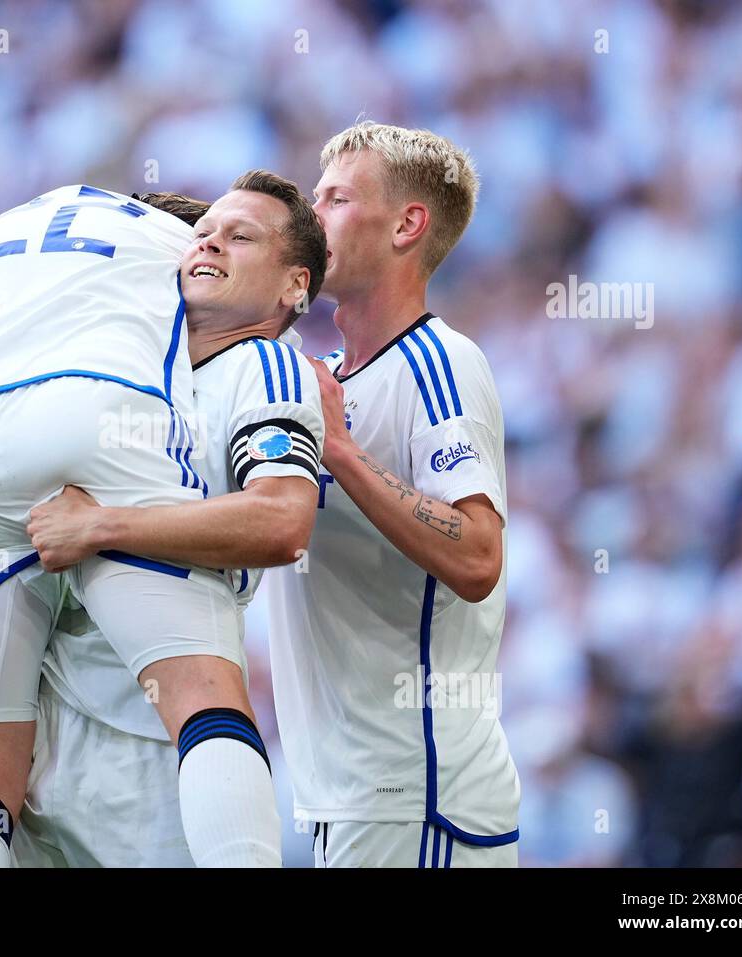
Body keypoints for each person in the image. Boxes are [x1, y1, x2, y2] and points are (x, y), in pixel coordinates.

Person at [0, 174, 328, 866]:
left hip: (155, 772)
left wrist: (105, 526)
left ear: (292, 286)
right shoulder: (111, 378)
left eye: (238, 236)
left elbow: (282, 521)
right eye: (200, 236)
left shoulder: (263, 368)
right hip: (55, 770)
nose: (207, 245)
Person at [270, 121, 519, 867]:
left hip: (417, 796)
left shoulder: (438, 361)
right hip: (347, 795)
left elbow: (478, 556)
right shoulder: (326, 381)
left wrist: (340, 451)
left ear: (408, 224)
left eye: (337, 199)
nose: (311, 220)